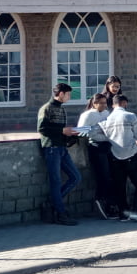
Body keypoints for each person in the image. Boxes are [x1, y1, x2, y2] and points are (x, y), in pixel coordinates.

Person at [91, 94, 137, 221]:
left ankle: (124, 214)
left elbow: (93, 134)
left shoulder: (106, 120)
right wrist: (136, 140)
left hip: (115, 157)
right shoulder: (130, 116)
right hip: (131, 156)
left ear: (113, 105)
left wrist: (109, 139)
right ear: (125, 103)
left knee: (120, 187)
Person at [37, 83, 81, 225]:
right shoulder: (46, 108)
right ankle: (60, 213)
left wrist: (71, 135)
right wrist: (62, 131)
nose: (69, 97)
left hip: (62, 148)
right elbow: (42, 128)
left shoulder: (61, 110)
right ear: (60, 94)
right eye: (68, 94)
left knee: (75, 177)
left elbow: (60, 129)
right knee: (55, 181)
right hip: (51, 148)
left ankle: (53, 203)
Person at [77, 93, 116, 219]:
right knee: (103, 175)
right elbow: (81, 131)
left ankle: (110, 204)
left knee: (111, 176)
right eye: (101, 103)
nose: (104, 105)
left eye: (105, 103)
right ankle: (100, 200)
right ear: (95, 103)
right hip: (96, 146)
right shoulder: (87, 115)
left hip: (108, 146)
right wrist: (96, 130)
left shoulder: (106, 113)